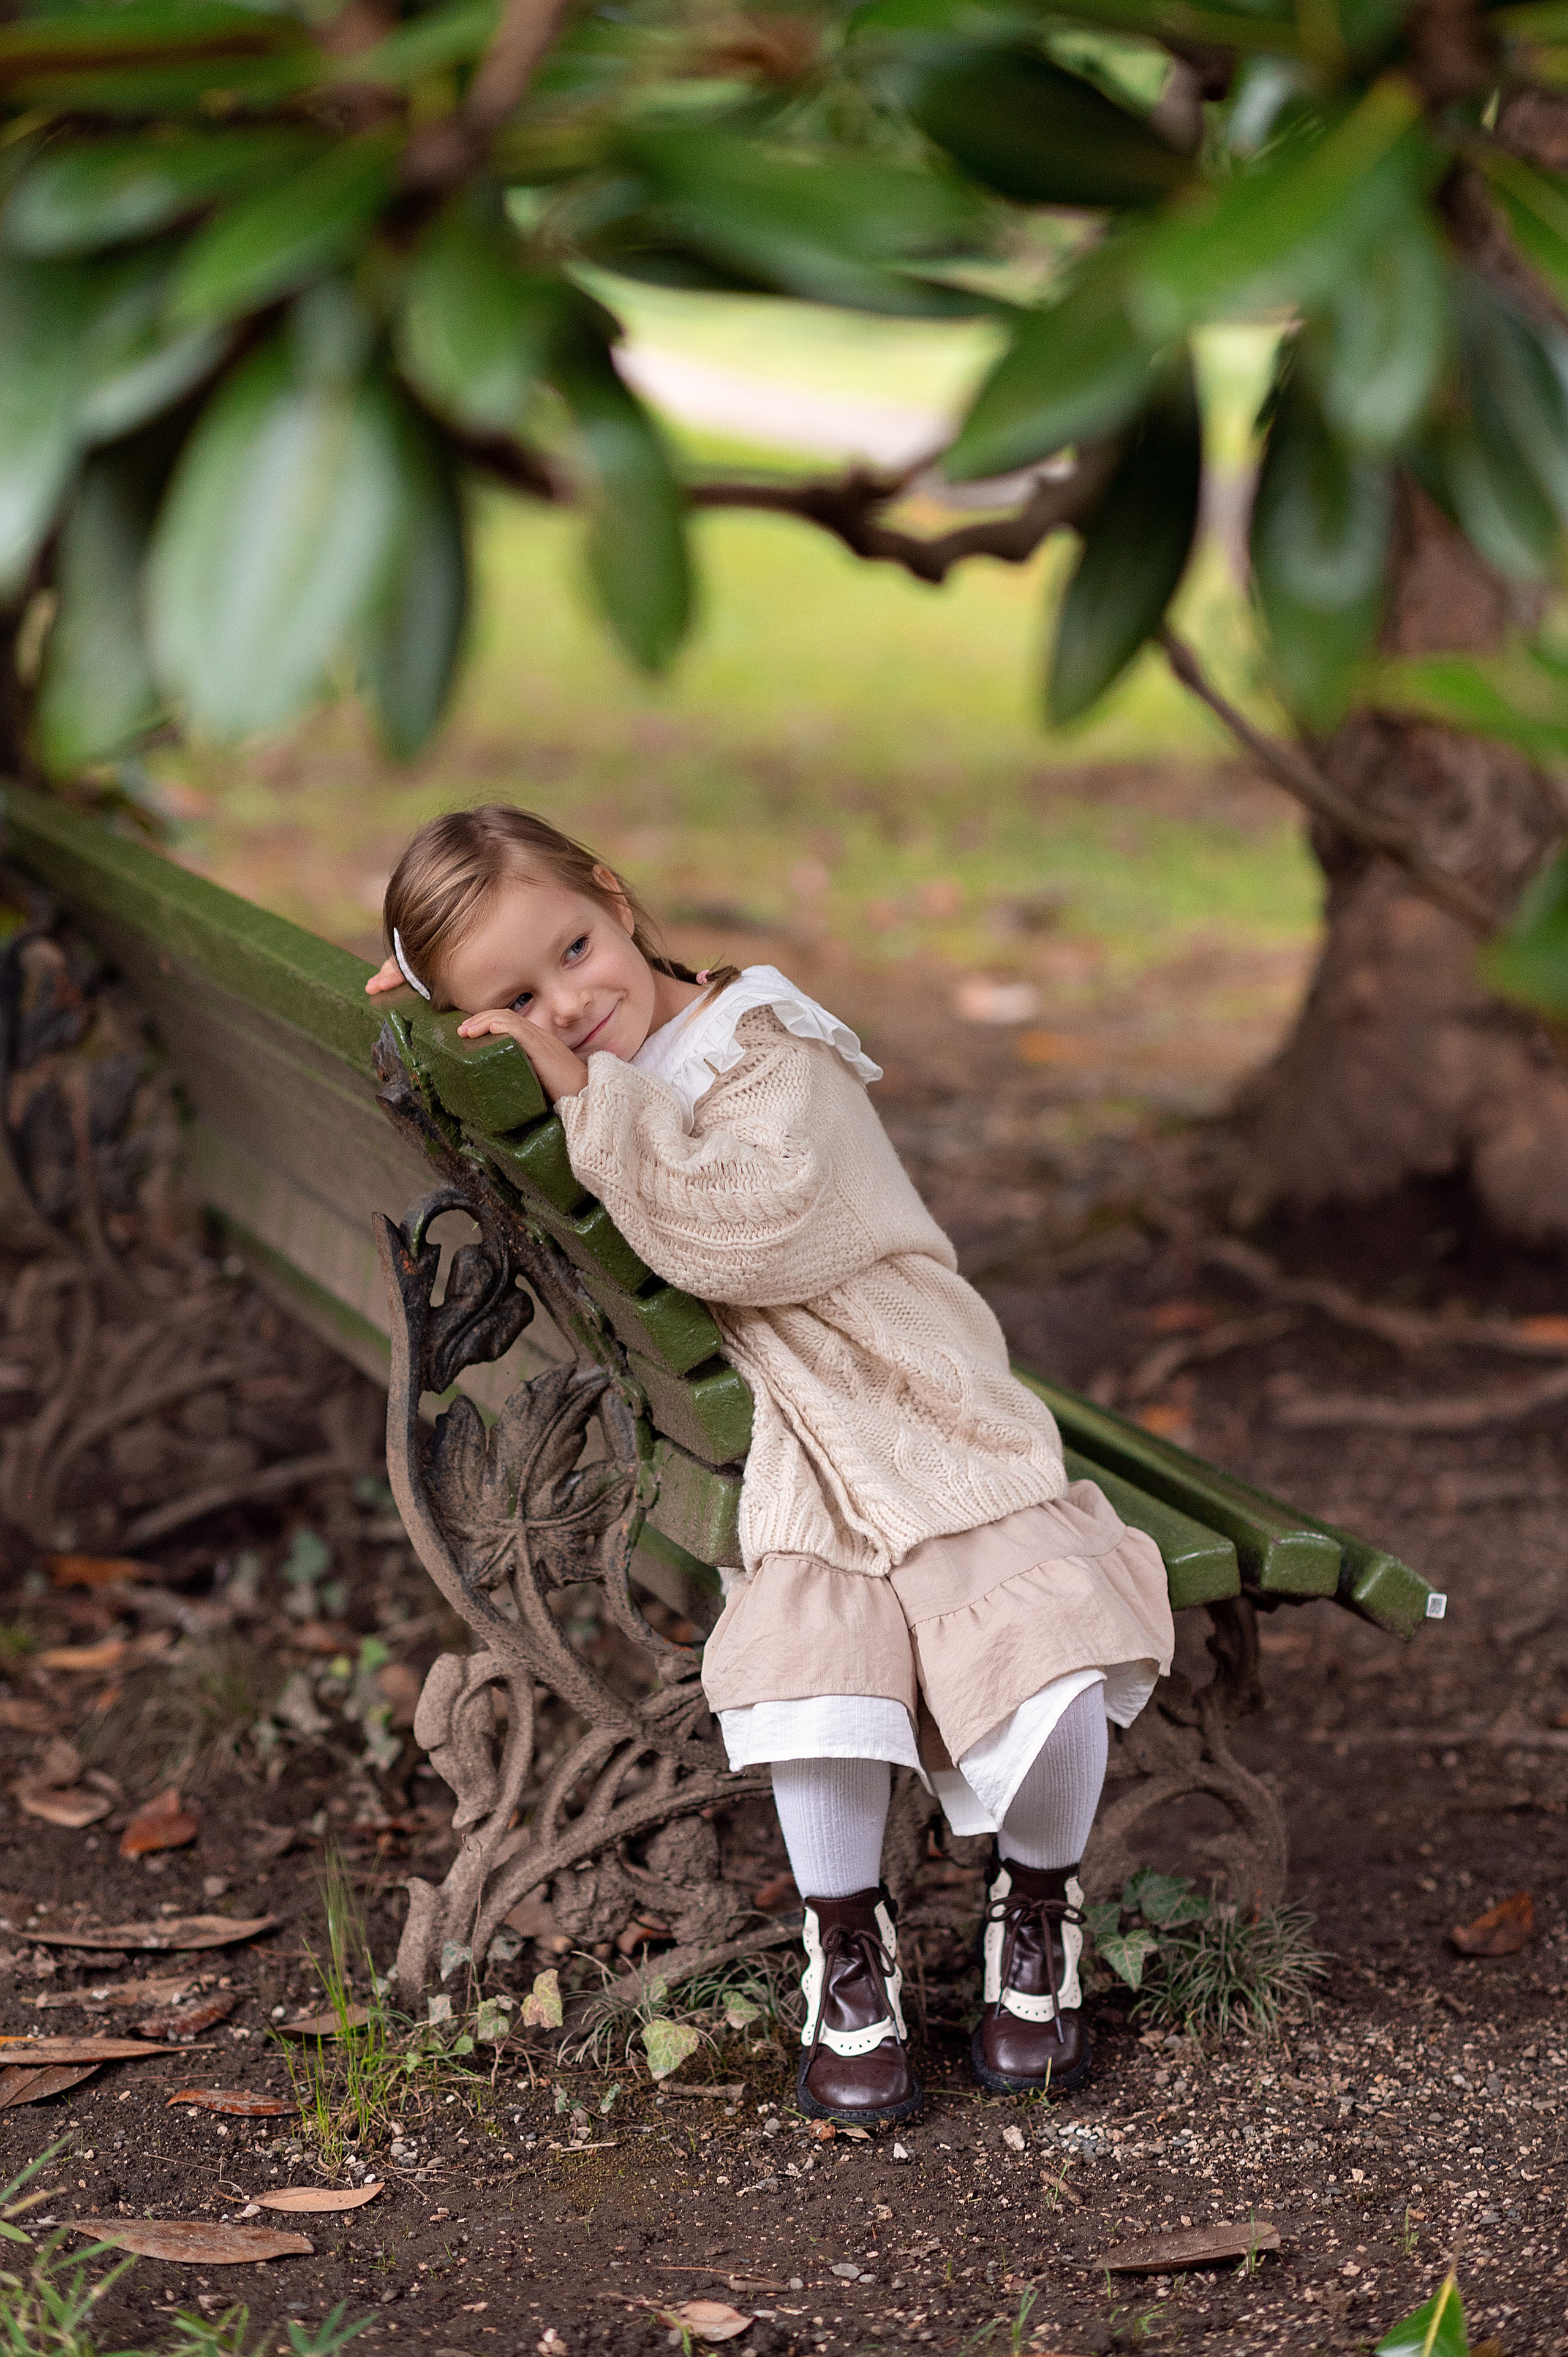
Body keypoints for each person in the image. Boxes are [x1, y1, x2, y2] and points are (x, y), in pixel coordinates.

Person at [368, 804, 1174, 2125]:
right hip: (782, 1426)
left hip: (909, 1387)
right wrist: (449, 998)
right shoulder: (601, 1056)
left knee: (1037, 1624)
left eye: (573, 950)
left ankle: (1037, 1903)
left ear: (615, 898)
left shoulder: (765, 1045)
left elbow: (741, 1234)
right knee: (821, 1642)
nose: (564, 1008)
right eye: (511, 1002)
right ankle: (845, 1949)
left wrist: (569, 1088)